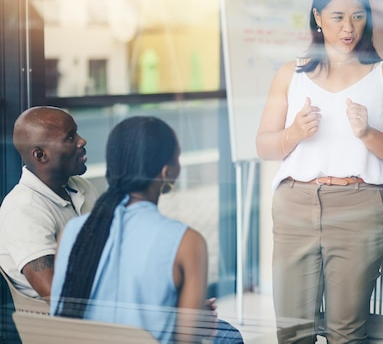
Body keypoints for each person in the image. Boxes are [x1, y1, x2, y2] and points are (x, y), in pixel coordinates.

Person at [256, 0, 383, 343]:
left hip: (358, 205)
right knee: (293, 331)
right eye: (339, 17)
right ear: (317, 17)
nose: (349, 28)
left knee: (347, 332)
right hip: (295, 204)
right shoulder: (290, 74)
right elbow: (264, 146)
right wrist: (293, 133)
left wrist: (368, 135)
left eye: (358, 17)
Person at [50, 116, 242, 344]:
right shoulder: (187, 242)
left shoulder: (73, 231)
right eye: (177, 157)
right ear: (166, 172)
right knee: (229, 336)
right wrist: (198, 320)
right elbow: (187, 339)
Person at [0, 106, 98, 299]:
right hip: (65, 324)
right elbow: (55, 293)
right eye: (70, 137)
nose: (82, 141)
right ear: (40, 155)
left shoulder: (81, 187)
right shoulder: (23, 210)